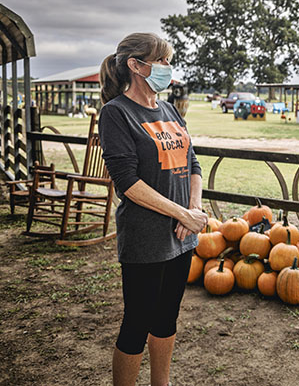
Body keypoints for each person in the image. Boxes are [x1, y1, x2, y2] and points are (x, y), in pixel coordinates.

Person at [99, 32, 208, 386]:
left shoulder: (169, 109)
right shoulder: (116, 114)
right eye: (161, 60)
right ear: (136, 65)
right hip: (146, 239)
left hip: (181, 236)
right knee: (138, 321)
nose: (167, 67)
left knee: (167, 317)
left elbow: (193, 163)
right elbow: (126, 181)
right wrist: (180, 214)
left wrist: (192, 210)